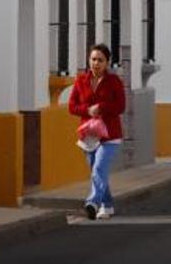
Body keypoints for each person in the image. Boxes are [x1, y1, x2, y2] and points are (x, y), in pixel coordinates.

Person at [68, 44, 126, 220]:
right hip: (89, 136)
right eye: (93, 59)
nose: (96, 63)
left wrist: (101, 107)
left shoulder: (114, 81)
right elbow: (72, 106)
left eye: (100, 60)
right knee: (97, 172)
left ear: (107, 62)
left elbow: (120, 106)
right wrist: (87, 110)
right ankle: (107, 206)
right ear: (89, 60)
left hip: (110, 135)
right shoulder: (81, 81)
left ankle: (92, 203)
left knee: (99, 168)